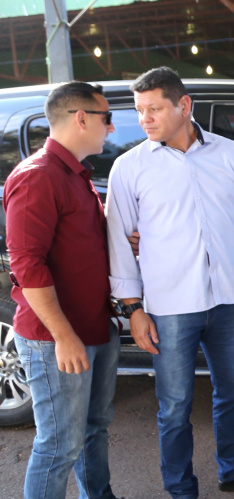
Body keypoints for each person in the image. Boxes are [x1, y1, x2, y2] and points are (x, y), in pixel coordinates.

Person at [106, 67, 234, 497]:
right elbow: (118, 244)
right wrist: (133, 309)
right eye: (139, 110)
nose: (144, 119)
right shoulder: (128, 169)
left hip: (229, 300)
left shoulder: (230, 156)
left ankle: (233, 469)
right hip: (169, 308)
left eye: (153, 109)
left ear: (183, 105)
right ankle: (181, 489)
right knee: (173, 408)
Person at [5, 82, 119, 499]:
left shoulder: (74, 174)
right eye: (106, 118)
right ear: (81, 117)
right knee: (58, 446)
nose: (110, 128)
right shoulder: (37, 177)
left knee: (93, 430)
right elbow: (27, 265)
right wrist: (63, 335)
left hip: (93, 325)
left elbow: (78, 242)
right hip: (56, 336)